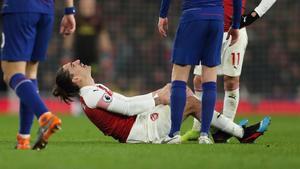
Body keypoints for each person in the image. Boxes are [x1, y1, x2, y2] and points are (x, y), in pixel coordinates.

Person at [52, 60, 270, 144]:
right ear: (76, 79)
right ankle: (242, 134)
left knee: (180, 90)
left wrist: (159, 92)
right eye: (73, 65)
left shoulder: (92, 90)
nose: (78, 62)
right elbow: (127, 108)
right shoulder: (90, 95)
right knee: (191, 103)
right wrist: (158, 97)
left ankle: (220, 132)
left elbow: (126, 103)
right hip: (141, 131)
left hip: (140, 124)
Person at [182, 0, 277, 143]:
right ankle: (197, 128)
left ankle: (224, 132)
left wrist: (254, 15)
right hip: (208, 27)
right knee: (199, 79)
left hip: (235, 31)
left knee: (231, 81)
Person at [157, 0, 242, 144]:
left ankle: (174, 134)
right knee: (209, 77)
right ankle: (204, 135)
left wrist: (163, 15)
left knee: (179, 76)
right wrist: (236, 25)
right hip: (216, 19)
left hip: (192, 17)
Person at [0, 0, 76, 150]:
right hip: (46, 10)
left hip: (19, 8)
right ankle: (23, 139)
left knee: (11, 73)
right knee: (30, 73)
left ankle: (45, 116)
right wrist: (69, 11)